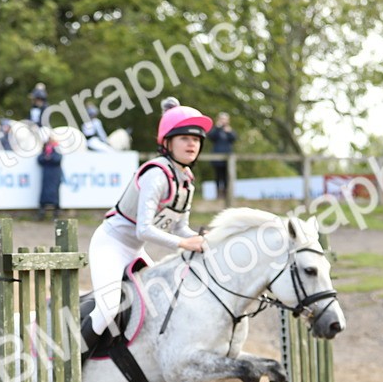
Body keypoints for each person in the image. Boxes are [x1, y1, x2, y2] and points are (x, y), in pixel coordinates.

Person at [83, 104, 211, 355]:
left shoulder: (186, 182)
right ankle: (68, 369)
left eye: (196, 139)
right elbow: (144, 230)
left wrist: (202, 239)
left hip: (134, 250)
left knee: (158, 301)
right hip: (111, 244)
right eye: (185, 138)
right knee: (107, 308)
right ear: (168, 142)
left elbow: (180, 227)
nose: (192, 144)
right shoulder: (157, 174)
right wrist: (184, 244)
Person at [207, 112, 237, 201]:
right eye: (222, 119)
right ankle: (218, 195)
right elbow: (211, 137)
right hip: (217, 158)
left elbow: (234, 138)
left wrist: (230, 132)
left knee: (227, 177)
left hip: (228, 159)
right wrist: (217, 127)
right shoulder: (216, 130)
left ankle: (227, 195)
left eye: (225, 119)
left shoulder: (229, 131)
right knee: (218, 177)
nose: (223, 121)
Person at [37, 130, 63, 220]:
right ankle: (42, 211)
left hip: (55, 174)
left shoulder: (57, 148)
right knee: (44, 192)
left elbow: (58, 159)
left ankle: (56, 211)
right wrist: (46, 156)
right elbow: (40, 159)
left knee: (54, 192)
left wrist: (49, 157)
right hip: (47, 173)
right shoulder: (45, 149)